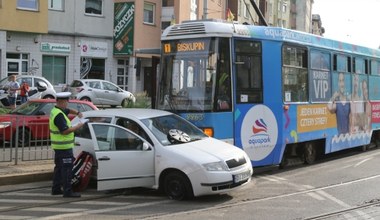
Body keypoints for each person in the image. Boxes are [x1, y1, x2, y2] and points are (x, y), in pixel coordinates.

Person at [49, 92, 85, 198]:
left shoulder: (56, 110)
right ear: (61, 102)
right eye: (66, 102)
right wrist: (78, 126)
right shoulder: (59, 115)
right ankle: (67, 191)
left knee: (59, 168)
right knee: (67, 170)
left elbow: (68, 110)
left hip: (59, 147)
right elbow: (65, 131)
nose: (67, 104)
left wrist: (78, 113)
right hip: (64, 147)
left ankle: (55, 189)